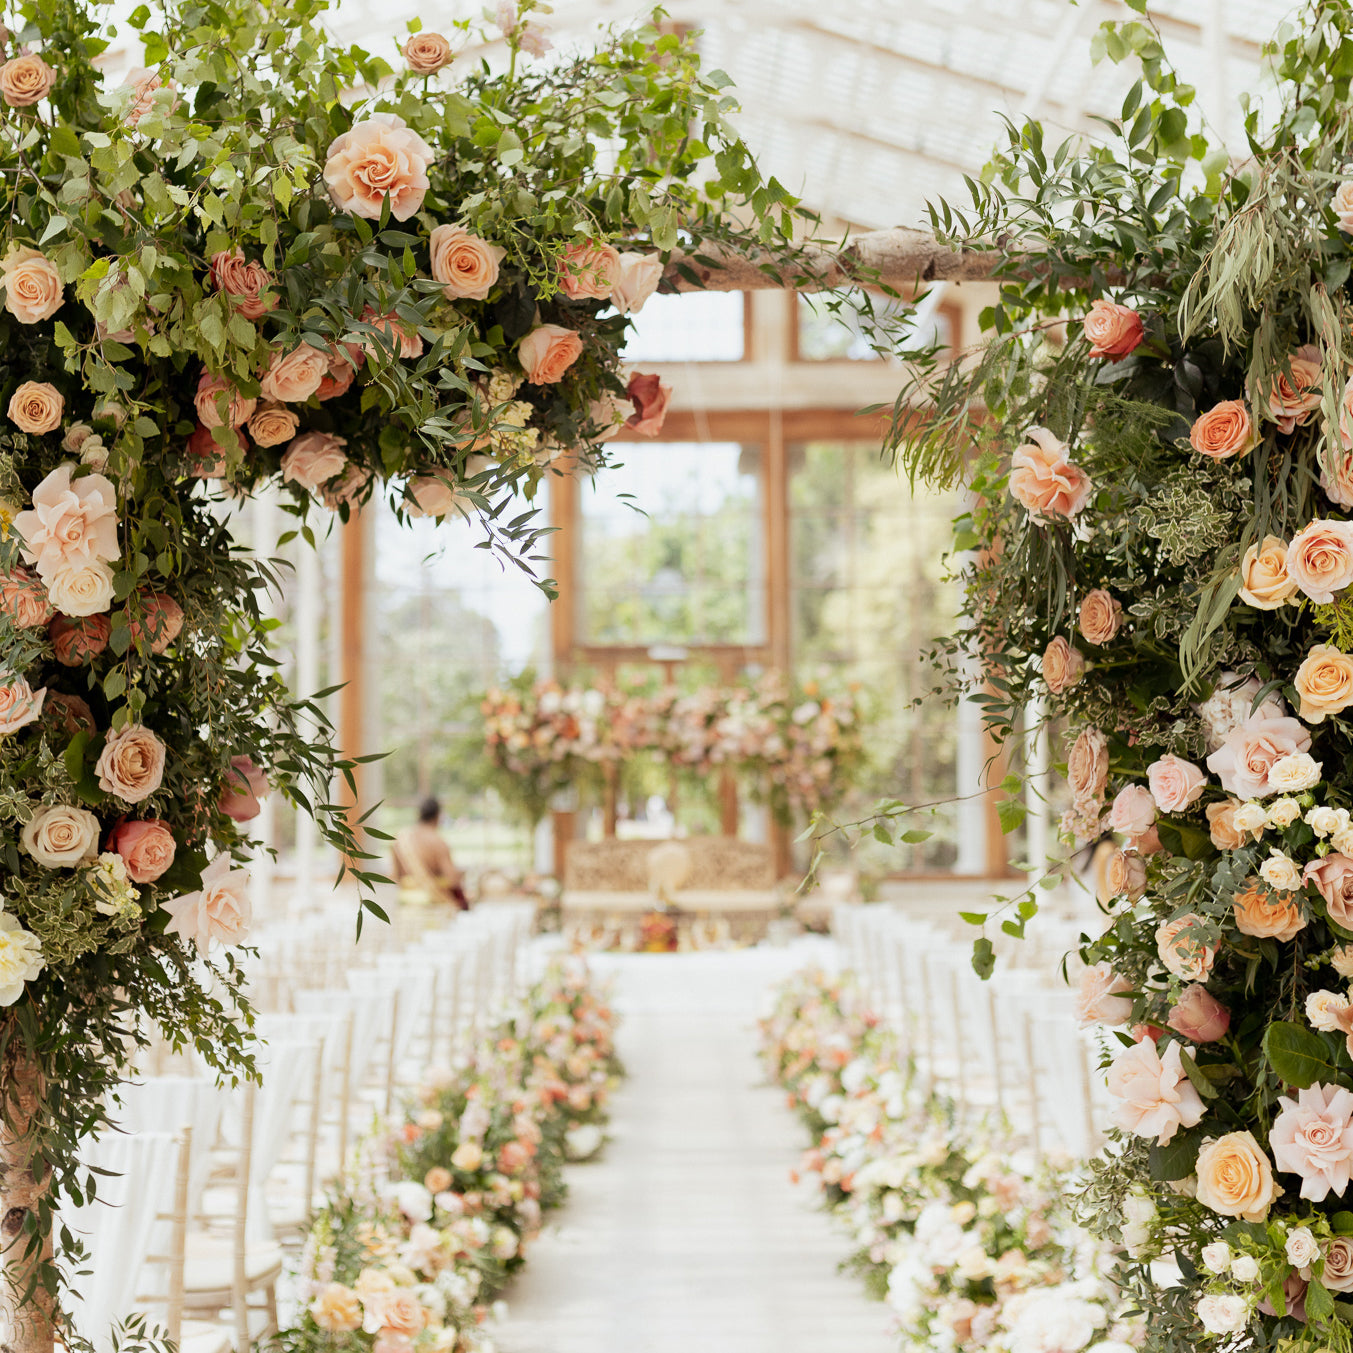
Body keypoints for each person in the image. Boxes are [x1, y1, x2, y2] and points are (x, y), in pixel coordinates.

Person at [391, 796, 469, 909]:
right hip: (433, 906)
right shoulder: (437, 842)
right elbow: (452, 879)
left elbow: (395, 877)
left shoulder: (400, 839)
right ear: (438, 816)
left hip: (406, 904)